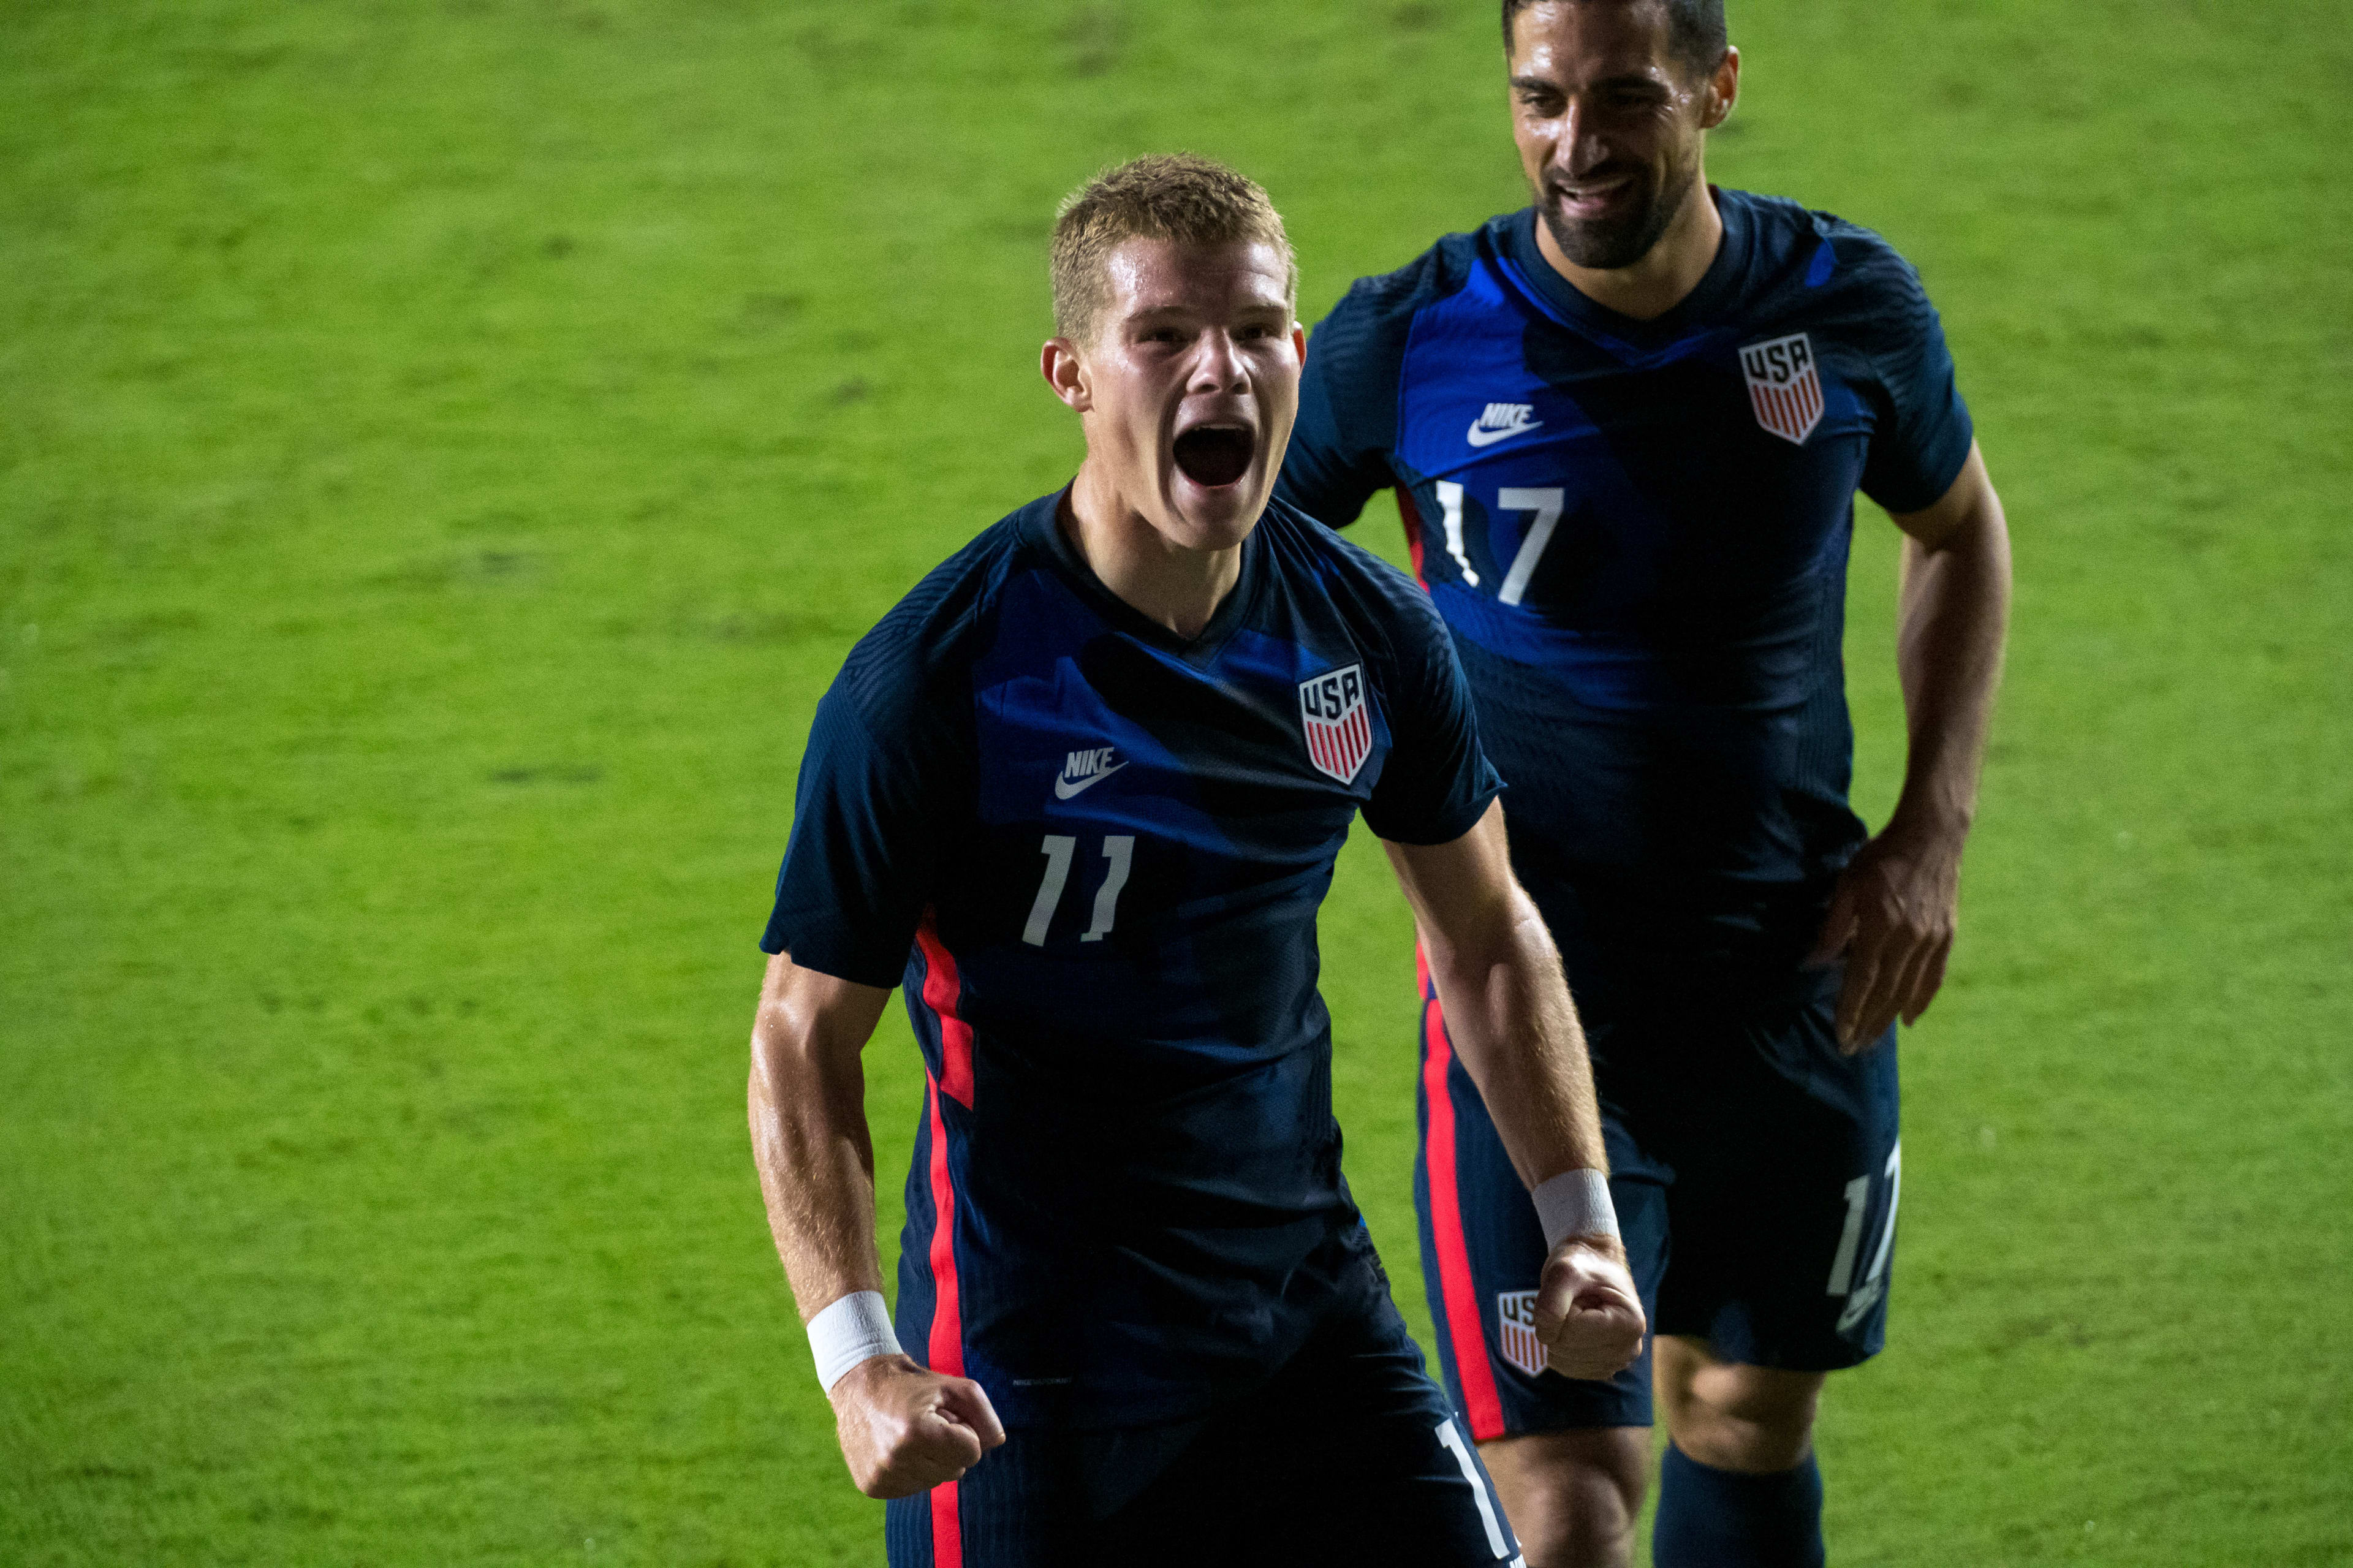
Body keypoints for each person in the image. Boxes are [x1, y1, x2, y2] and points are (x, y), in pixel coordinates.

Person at [746, 154, 1650, 1568]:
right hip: (1030, 1374)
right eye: (1164, 334)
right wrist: (858, 1362)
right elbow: (802, 1035)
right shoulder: (935, 684)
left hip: (1305, 1323)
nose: (1220, 369)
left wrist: (1579, 1219)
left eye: (1255, 328)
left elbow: (1485, 936)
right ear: (1072, 373)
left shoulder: (1368, 635)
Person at [1275, 4, 2014, 1566]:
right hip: (1534, 1008)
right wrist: (1336, 750)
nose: (1576, 144)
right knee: (1569, 1504)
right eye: (1541, 99)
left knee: (1745, 1414)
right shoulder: (1412, 337)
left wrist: (1932, 832)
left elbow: (1960, 528)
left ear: (1717, 89)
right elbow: (1229, 563)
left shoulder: (1843, 305)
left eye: (1624, 99)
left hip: (1795, 980)